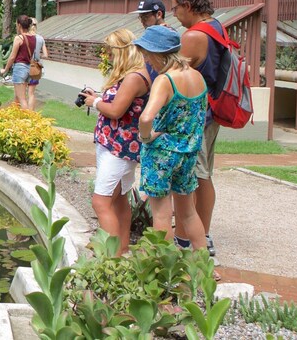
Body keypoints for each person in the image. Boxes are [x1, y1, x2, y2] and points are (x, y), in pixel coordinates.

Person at [134, 25, 209, 251]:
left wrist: (146, 137)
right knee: (188, 213)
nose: (147, 61)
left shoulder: (165, 80)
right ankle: (203, 264)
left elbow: (146, 117)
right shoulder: (197, 77)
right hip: (188, 153)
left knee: (162, 214)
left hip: (162, 156)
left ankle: (166, 268)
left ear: (158, 54)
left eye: (147, 55)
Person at [78, 29, 151, 255]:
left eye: (110, 52)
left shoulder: (134, 77)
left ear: (122, 51)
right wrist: (98, 96)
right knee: (119, 200)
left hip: (119, 148)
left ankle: (110, 259)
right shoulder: (132, 74)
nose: (108, 56)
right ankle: (121, 249)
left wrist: (95, 102)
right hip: (115, 145)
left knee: (100, 202)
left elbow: (117, 110)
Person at [171, 0, 223, 255]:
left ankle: (195, 239)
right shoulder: (217, 27)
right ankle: (203, 233)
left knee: (194, 176)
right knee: (205, 174)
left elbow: (174, 75)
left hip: (197, 116)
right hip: (212, 111)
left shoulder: (194, 35)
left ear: (187, 6)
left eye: (175, 8)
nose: (175, 14)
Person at [1, 15, 36, 109]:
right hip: (28, 68)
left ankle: (27, 121)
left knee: (22, 99)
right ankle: (16, 118)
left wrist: (5, 70)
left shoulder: (19, 38)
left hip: (20, 68)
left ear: (19, 25)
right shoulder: (33, 38)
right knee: (17, 96)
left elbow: (12, 57)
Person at [26, 18, 50, 110]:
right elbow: (46, 55)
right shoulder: (40, 38)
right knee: (31, 93)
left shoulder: (24, 37)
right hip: (35, 68)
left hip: (25, 66)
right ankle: (31, 114)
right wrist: (37, 56)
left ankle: (21, 113)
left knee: (21, 92)